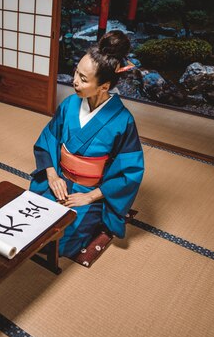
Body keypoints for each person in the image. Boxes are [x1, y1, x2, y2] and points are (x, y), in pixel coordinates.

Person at [30, 31, 144, 258]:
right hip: (59, 181)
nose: (74, 81)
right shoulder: (69, 104)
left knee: (61, 242)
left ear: (104, 86)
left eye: (83, 79)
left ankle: (93, 212)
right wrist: (52, 175)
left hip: (88, 190)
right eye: (76, 72)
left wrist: (90, 197)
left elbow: (130, 171)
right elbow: (48, 139)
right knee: (33, 224)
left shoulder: (123, 121)